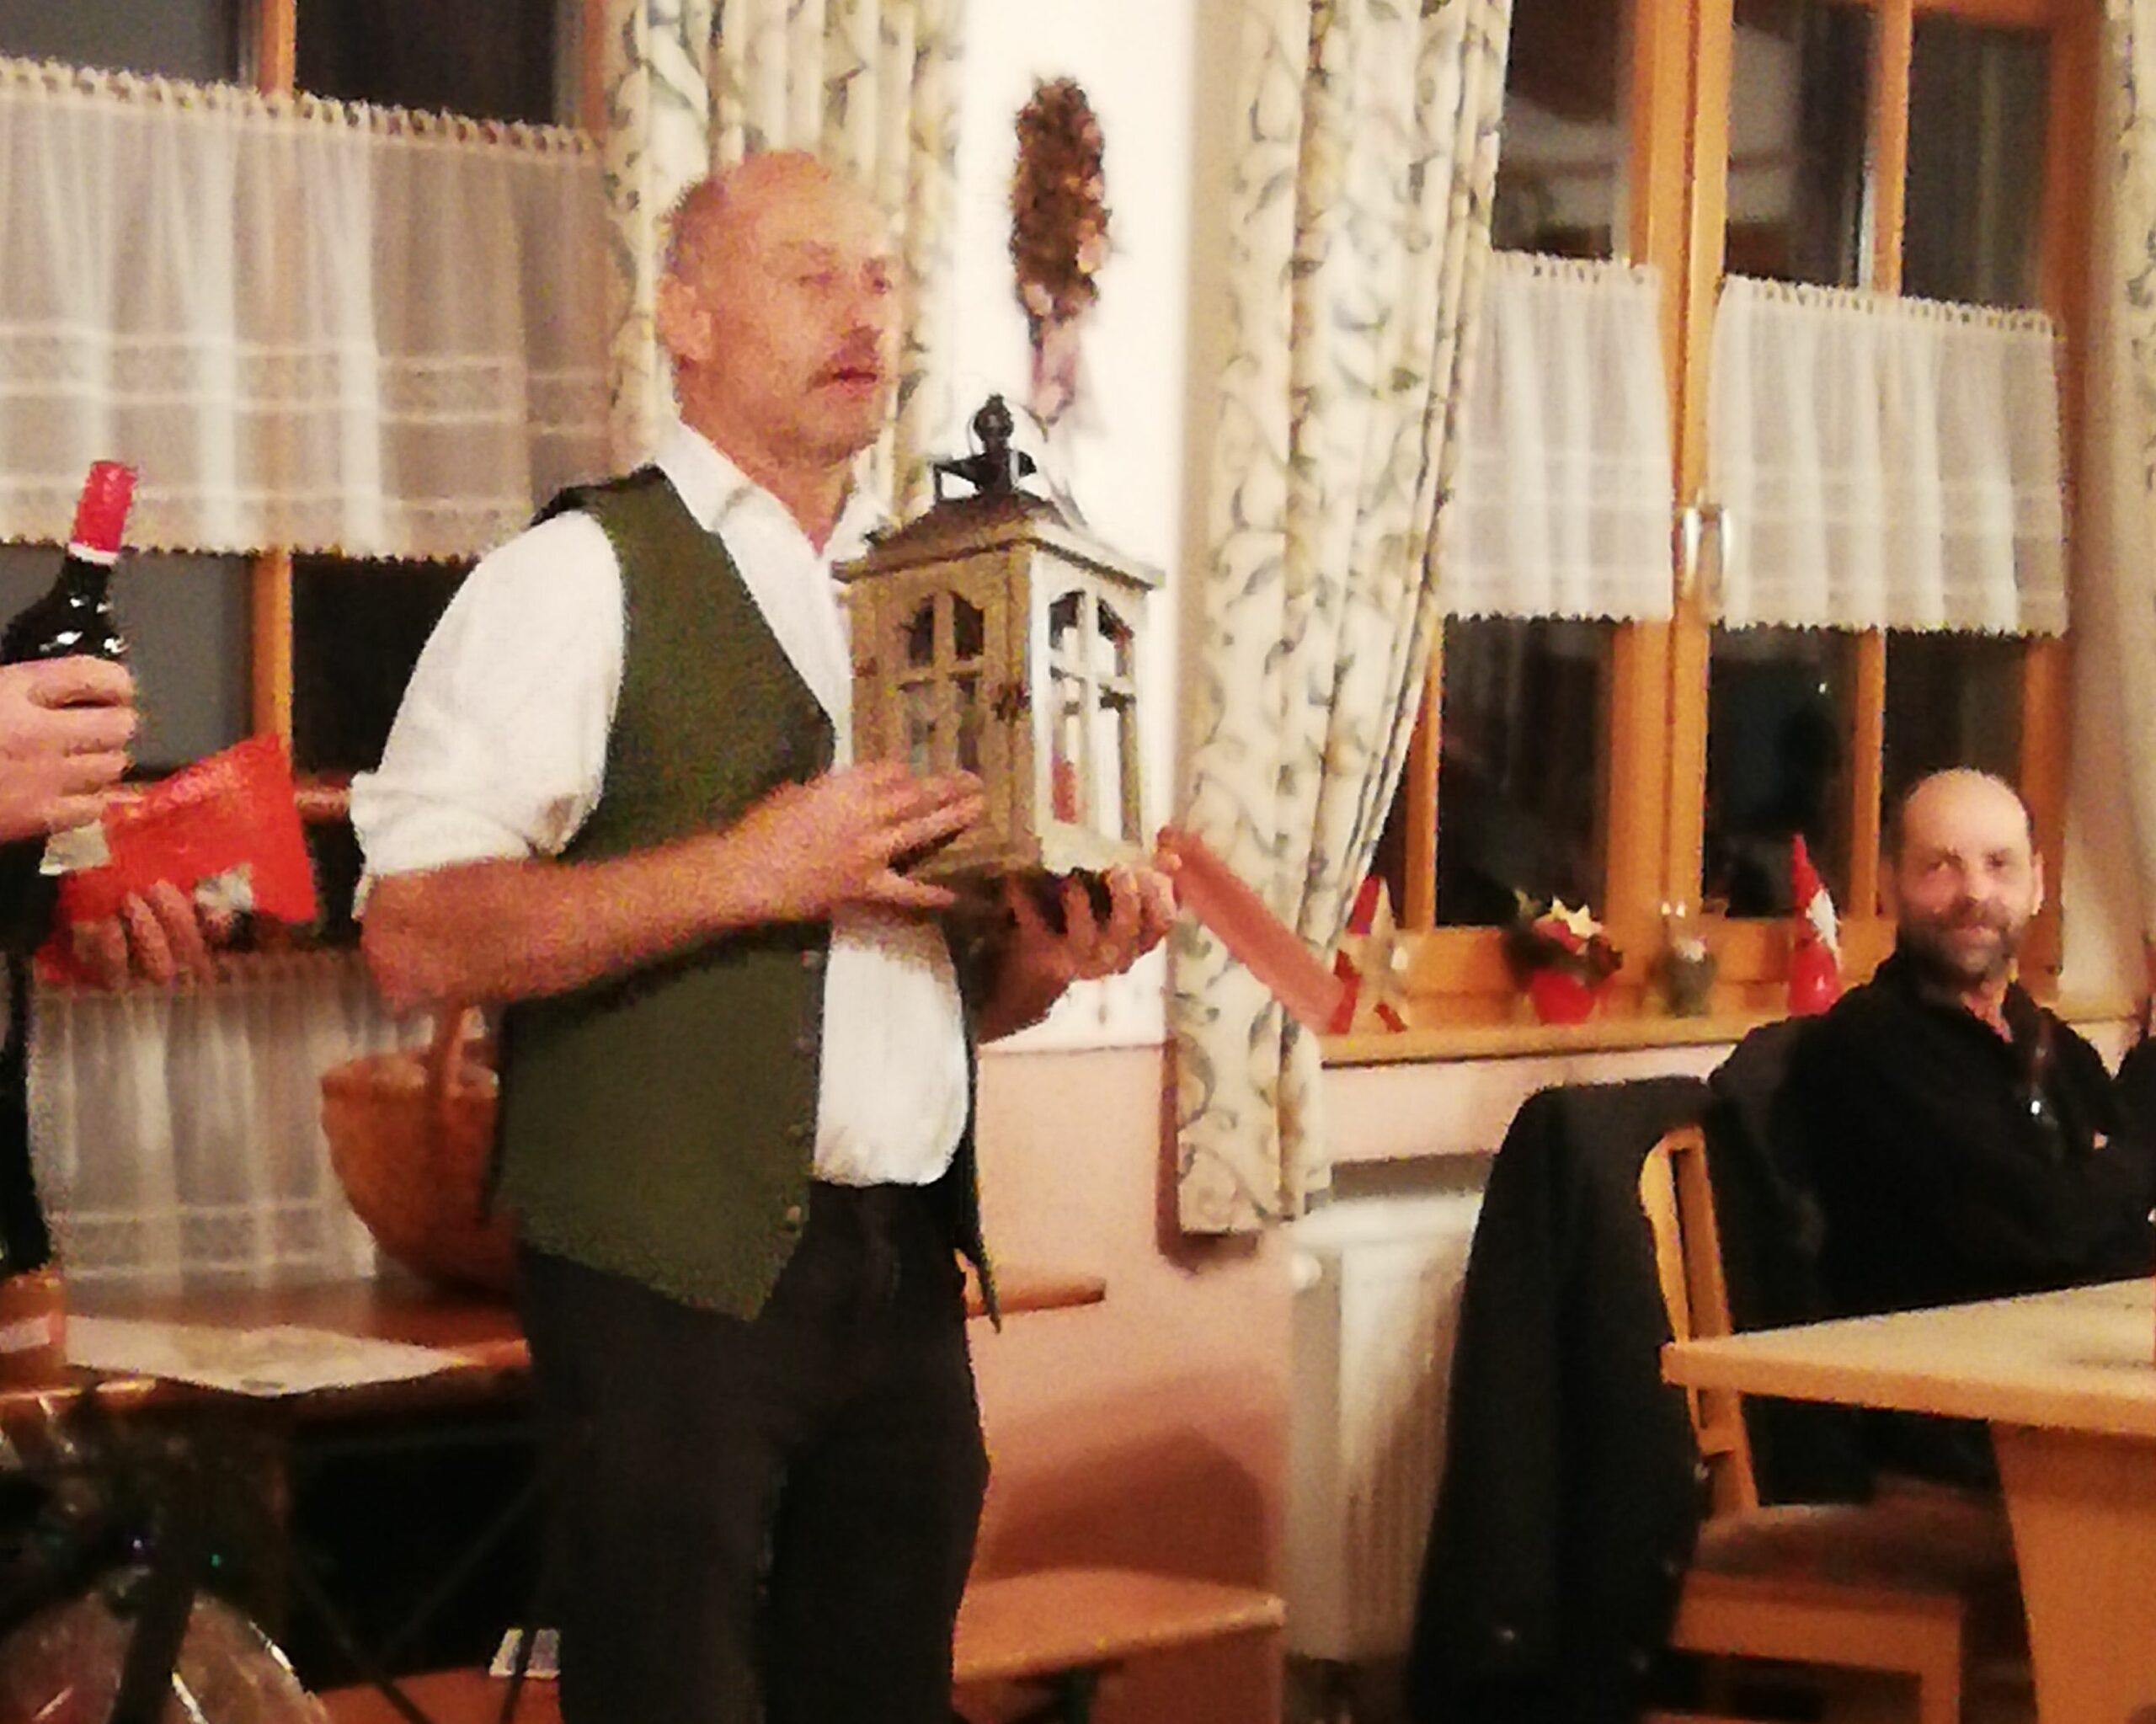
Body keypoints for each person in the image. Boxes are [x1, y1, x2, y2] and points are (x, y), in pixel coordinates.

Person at [350, 151, 1175, 1724]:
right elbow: (414, 932)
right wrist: (745, 869)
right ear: (685, 319)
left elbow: (883, 995)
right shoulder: (578, 577)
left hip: (902, 1274)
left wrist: (1041, 966)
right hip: (666, 1286)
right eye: (809, 275)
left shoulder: (918, 593)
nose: (862, 313)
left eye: (879, 278)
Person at [1782, 767, 2156, 1481]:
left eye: (1999, 864)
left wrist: (2113, 1173)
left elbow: (2113, 1218)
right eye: (1941, 866)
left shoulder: (2052, 1045)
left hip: (2072, 1397)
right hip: (1948, 1438)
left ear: (2037, 884)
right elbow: (2049, 1226)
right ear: (1889, 884)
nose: (1975, 892)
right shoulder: (1867, 1046)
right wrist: (2122, 1163)